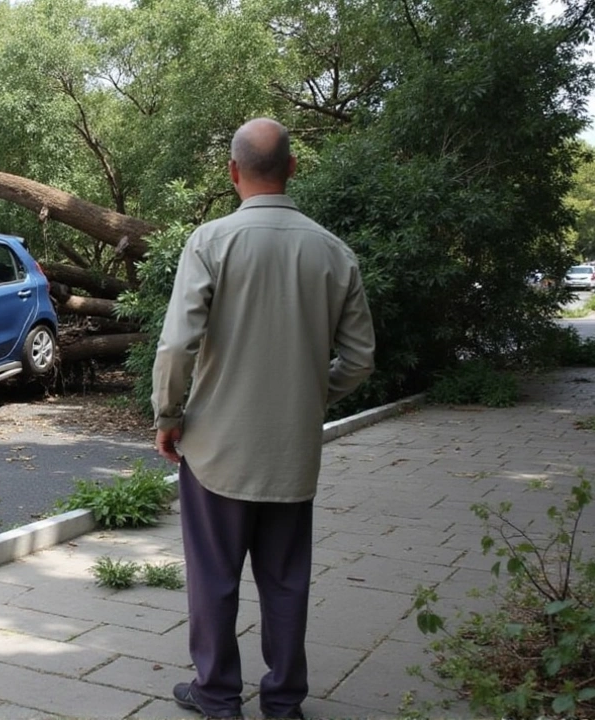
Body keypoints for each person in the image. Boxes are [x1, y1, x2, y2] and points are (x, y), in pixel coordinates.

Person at [151, 118, 376, 720]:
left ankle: (218, 696)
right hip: (291, 451)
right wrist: (312, 394)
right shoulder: (333, 252)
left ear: (233, 173)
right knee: (285, 581)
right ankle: (283, 702)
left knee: (213, 578)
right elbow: (359, 359)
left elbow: (176, 347)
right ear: (293, 168)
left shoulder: (211, 241)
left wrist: (169, 415)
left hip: (216, 447)